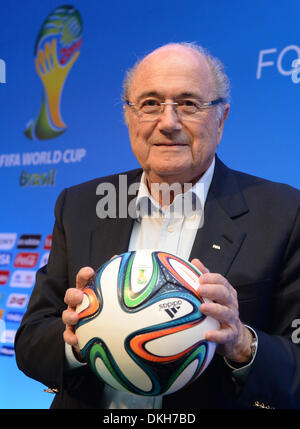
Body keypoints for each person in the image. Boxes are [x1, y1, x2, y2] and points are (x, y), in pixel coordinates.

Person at [15, 42, 300, 409]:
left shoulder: (284, 213)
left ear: (221, 118)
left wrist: (242, 343)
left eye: (188, 103)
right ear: (129, 116)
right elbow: (30, 341)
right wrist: (76, 339)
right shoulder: (82, 205)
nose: (168, 122)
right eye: (150, 104)